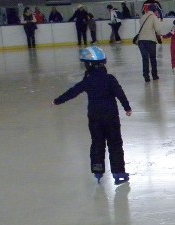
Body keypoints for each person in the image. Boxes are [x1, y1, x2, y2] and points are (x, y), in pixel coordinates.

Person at [52, 46, 132, 185]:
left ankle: (98, 170)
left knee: (97, 143)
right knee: (115, 144)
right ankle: (119, 173)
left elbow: (73, 91)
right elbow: (120, 93)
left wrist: (57, 101)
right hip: (111, 117)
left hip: (95, 117)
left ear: (88, 64)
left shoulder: (88, 80)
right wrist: (127, 107)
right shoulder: (110, 79)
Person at [136, 3, 164, 83]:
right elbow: (158, 29)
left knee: (145, 59)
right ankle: (154, 75)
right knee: (152, 58)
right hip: (150, 40)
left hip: (141, 40)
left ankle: (146, 76)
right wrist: (159, 35)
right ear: (155, 11)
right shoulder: (153, 17)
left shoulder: (142, 17)